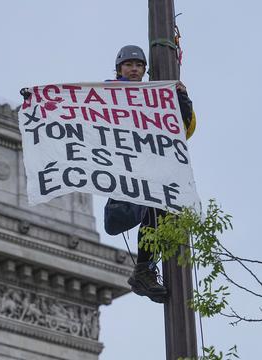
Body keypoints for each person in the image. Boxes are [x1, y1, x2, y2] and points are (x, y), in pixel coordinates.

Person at [111, 45, 196, 303]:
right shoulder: (107, 93)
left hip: (153, 168)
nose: (134, 69)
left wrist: (182, 100)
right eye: (129, 65)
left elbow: (183, 130)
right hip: (128, 167)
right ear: (119, 70)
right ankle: (144, 269)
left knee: (158, 213)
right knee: (151, 210)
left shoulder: (156, 97)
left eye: (139, 66)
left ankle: (144, 269)